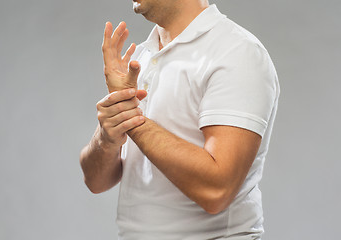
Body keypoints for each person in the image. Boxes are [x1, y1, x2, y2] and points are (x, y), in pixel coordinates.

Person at [80, 0, 280, 239]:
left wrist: (131, 119)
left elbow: (217, 190)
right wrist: (107, 135)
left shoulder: (237, 53)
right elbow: (96, 182)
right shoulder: (142, 57)